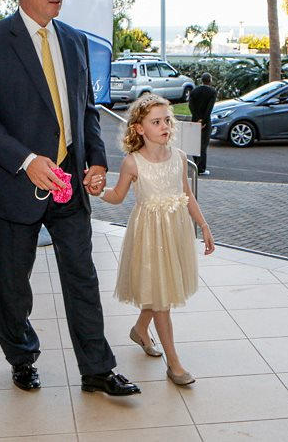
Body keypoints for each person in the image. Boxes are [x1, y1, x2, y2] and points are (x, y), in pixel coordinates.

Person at [0, 0, 140, 396]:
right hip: (13, 185)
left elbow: (85, 110)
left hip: (70, 185)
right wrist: (26, 160)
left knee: (83, 277)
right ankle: (22, 357)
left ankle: (97, 369)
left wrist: (96, 160)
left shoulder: (74, 40)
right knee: (10, 286)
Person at [96, 94, 215, 386]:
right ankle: (174, 364)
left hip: (175, 232)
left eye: (166, 121)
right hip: (149, 235)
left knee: (162, 287)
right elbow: (117, 196)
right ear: (139, 128)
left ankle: (140, 329)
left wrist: (203, 225)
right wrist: (98, 192)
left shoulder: (179, 157)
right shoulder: (132, 163)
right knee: (161, 298)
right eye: (156, 122)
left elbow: (187, 194)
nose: (164, 126)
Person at [188, 72, 217, 175]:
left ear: (202, 80)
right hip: (206, 122)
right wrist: (203, 120)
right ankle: (201, 168)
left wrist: (197, 119)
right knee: (203, 145)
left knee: (195, 144)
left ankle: (196, 164)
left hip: (195, 120)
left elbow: (191, 106)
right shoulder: (212, 92)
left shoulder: (194, 91)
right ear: (210, 80)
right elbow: (209, 109)